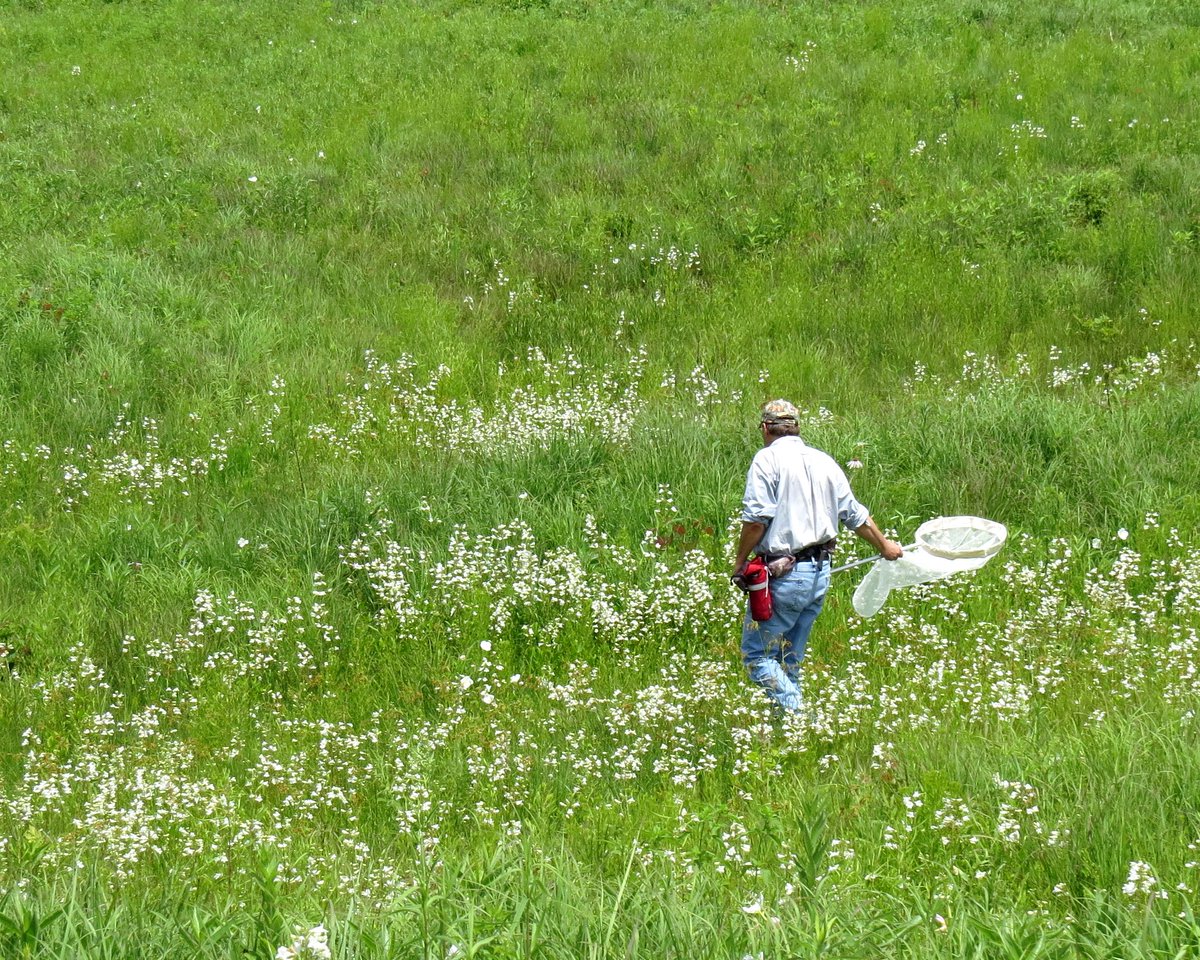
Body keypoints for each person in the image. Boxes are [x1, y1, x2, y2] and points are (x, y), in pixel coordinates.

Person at [731, 399, 903, 714]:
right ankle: (788, 732)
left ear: (766, 428)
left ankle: (799, 716)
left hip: (783, 575)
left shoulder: (766, 460)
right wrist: (885, 547)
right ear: (796, 427)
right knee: (788, 659)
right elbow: (855, 515)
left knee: (758, 657)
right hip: (819, 573)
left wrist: (740, 561)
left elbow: (756, 520)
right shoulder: (823, 461)